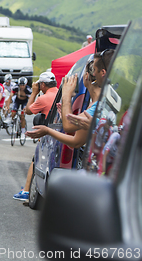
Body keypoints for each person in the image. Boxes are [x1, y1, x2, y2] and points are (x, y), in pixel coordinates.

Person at [27, 62, 101, 149]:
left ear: (86, 76)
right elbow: (75, 132)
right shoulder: (95, 103)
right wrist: (65, 118)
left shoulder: (95, 106)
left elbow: (72, 134)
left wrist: (66, 95)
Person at [12, 71, 58, 201]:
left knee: (35, 161)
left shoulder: (43, 98)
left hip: (47, 136)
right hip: (59, 136)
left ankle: (26, 191)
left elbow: (28, 110)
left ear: (42, 84)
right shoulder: (60, 94)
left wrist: (33, 93)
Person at [65, 49, 115, 131]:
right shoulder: (108, 99)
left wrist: (66, 95)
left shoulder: (99, 104)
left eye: (95, 70)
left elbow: (68, 126)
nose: (94, 74)